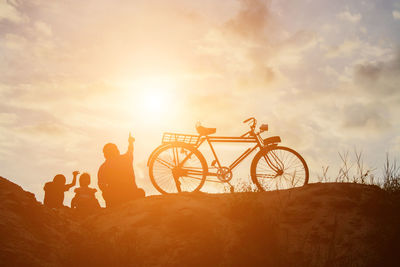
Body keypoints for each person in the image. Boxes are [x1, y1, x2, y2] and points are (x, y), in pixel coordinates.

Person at [98, 133, 145, 207]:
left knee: (105, 193)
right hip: (131, 195)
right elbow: (130, 150)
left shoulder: (103, 167)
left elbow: (101, 185)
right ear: (117, 151)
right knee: (140, 192)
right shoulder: (126, 159)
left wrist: (108, 193)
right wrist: (131, 142)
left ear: (105, 154)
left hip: (115, 199)